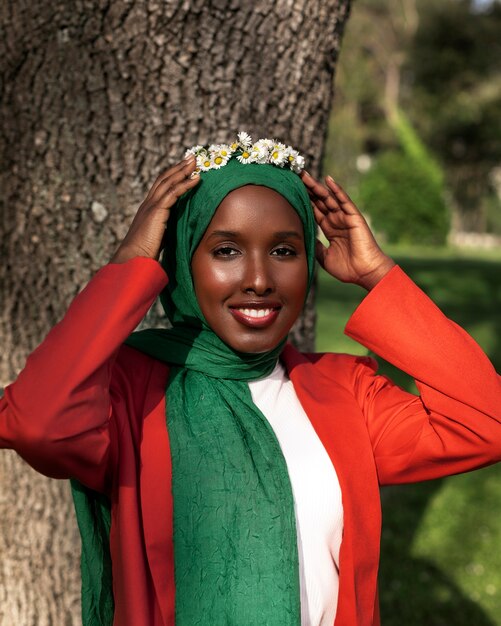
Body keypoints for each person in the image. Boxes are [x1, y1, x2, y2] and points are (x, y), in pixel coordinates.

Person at [1, 132, 500, 626]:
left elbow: (487, 423)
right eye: (226, 251)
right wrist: (129, 263)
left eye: (284, 251)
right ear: (181, 263)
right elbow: (36, 425)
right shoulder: (129, 392)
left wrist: (379, 275)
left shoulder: (344, 393)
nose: (259, 278)